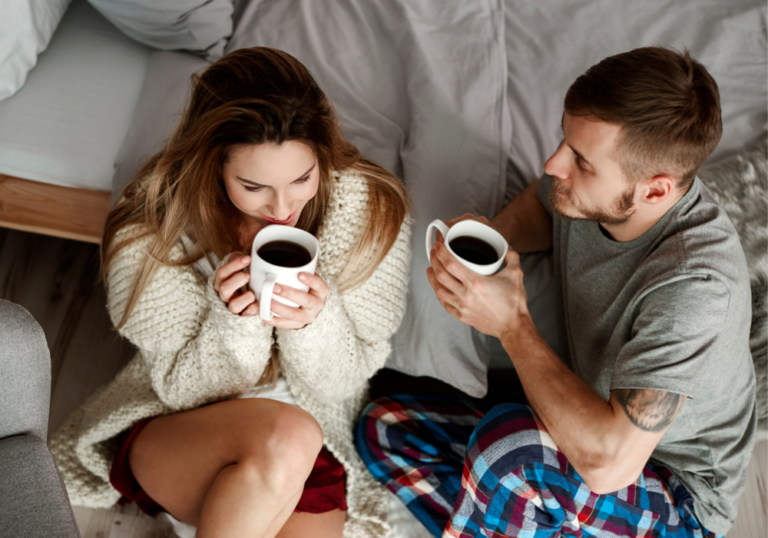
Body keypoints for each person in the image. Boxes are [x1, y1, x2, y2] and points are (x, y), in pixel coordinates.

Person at [356, 47, 755, 538]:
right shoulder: (593, 194)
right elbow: (543, 204)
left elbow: (610, 466)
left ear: (655, 191)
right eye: (564, 141)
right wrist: (491, 243)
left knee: (511, 453)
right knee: (386, 424)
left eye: (581, 162)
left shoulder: (695, 288)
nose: (553, 163)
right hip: (580, 438)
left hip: (674, 496)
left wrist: (511, 325)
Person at [49, 47, 411, 538]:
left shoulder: (370, 213)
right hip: (184, 427)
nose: (282, 207)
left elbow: (343, 382)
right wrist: (234, 322)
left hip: (315, 447)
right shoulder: (153, 226)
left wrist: (312, 323)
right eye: (254, 185)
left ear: (323, 155)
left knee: (299, 437)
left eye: (302, 178)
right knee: (290, 434)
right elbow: (182, 390)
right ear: (213, 165)